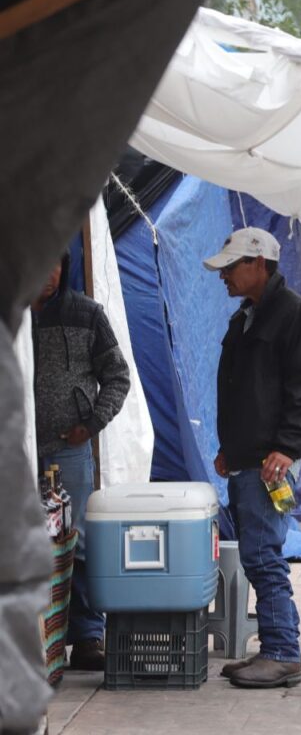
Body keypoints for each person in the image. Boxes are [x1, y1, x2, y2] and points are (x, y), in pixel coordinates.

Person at [205, 227, 301, 689]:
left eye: (231, 267)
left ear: (259, 263)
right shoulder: (246, 318)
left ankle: (282, 652)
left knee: (262, 554)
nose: (224, 277)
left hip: (269, 462)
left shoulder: (292, 315)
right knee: (260, 554)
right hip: (247, 459)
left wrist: (288, 447)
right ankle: (277, 646)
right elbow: (243, 392)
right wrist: (228, 450)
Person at [33, 252, 130, 671]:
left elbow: (118, 376)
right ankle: (33, 639)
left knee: (77, 539)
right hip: (17, 449)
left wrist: (90, 424)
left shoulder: (86, 313)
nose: (49, 273)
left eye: (56, 263)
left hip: (69, 448)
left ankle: (88, 635)